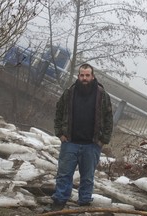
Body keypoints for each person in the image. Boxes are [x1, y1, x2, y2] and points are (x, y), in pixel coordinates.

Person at [51, 63, 113, 210]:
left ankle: (84, 205)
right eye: (82, 75)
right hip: (70, 142)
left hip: (92, 145)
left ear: (92, 76)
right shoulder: (69, 93)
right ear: (78, 76)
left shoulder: (102, 95)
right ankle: (59, 203)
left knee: (87, 178)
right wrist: (59, 133)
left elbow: (109, 118)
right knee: (64, 175)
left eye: (87, 75)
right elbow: (58, 113)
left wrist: (103, 140)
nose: (84, 78)